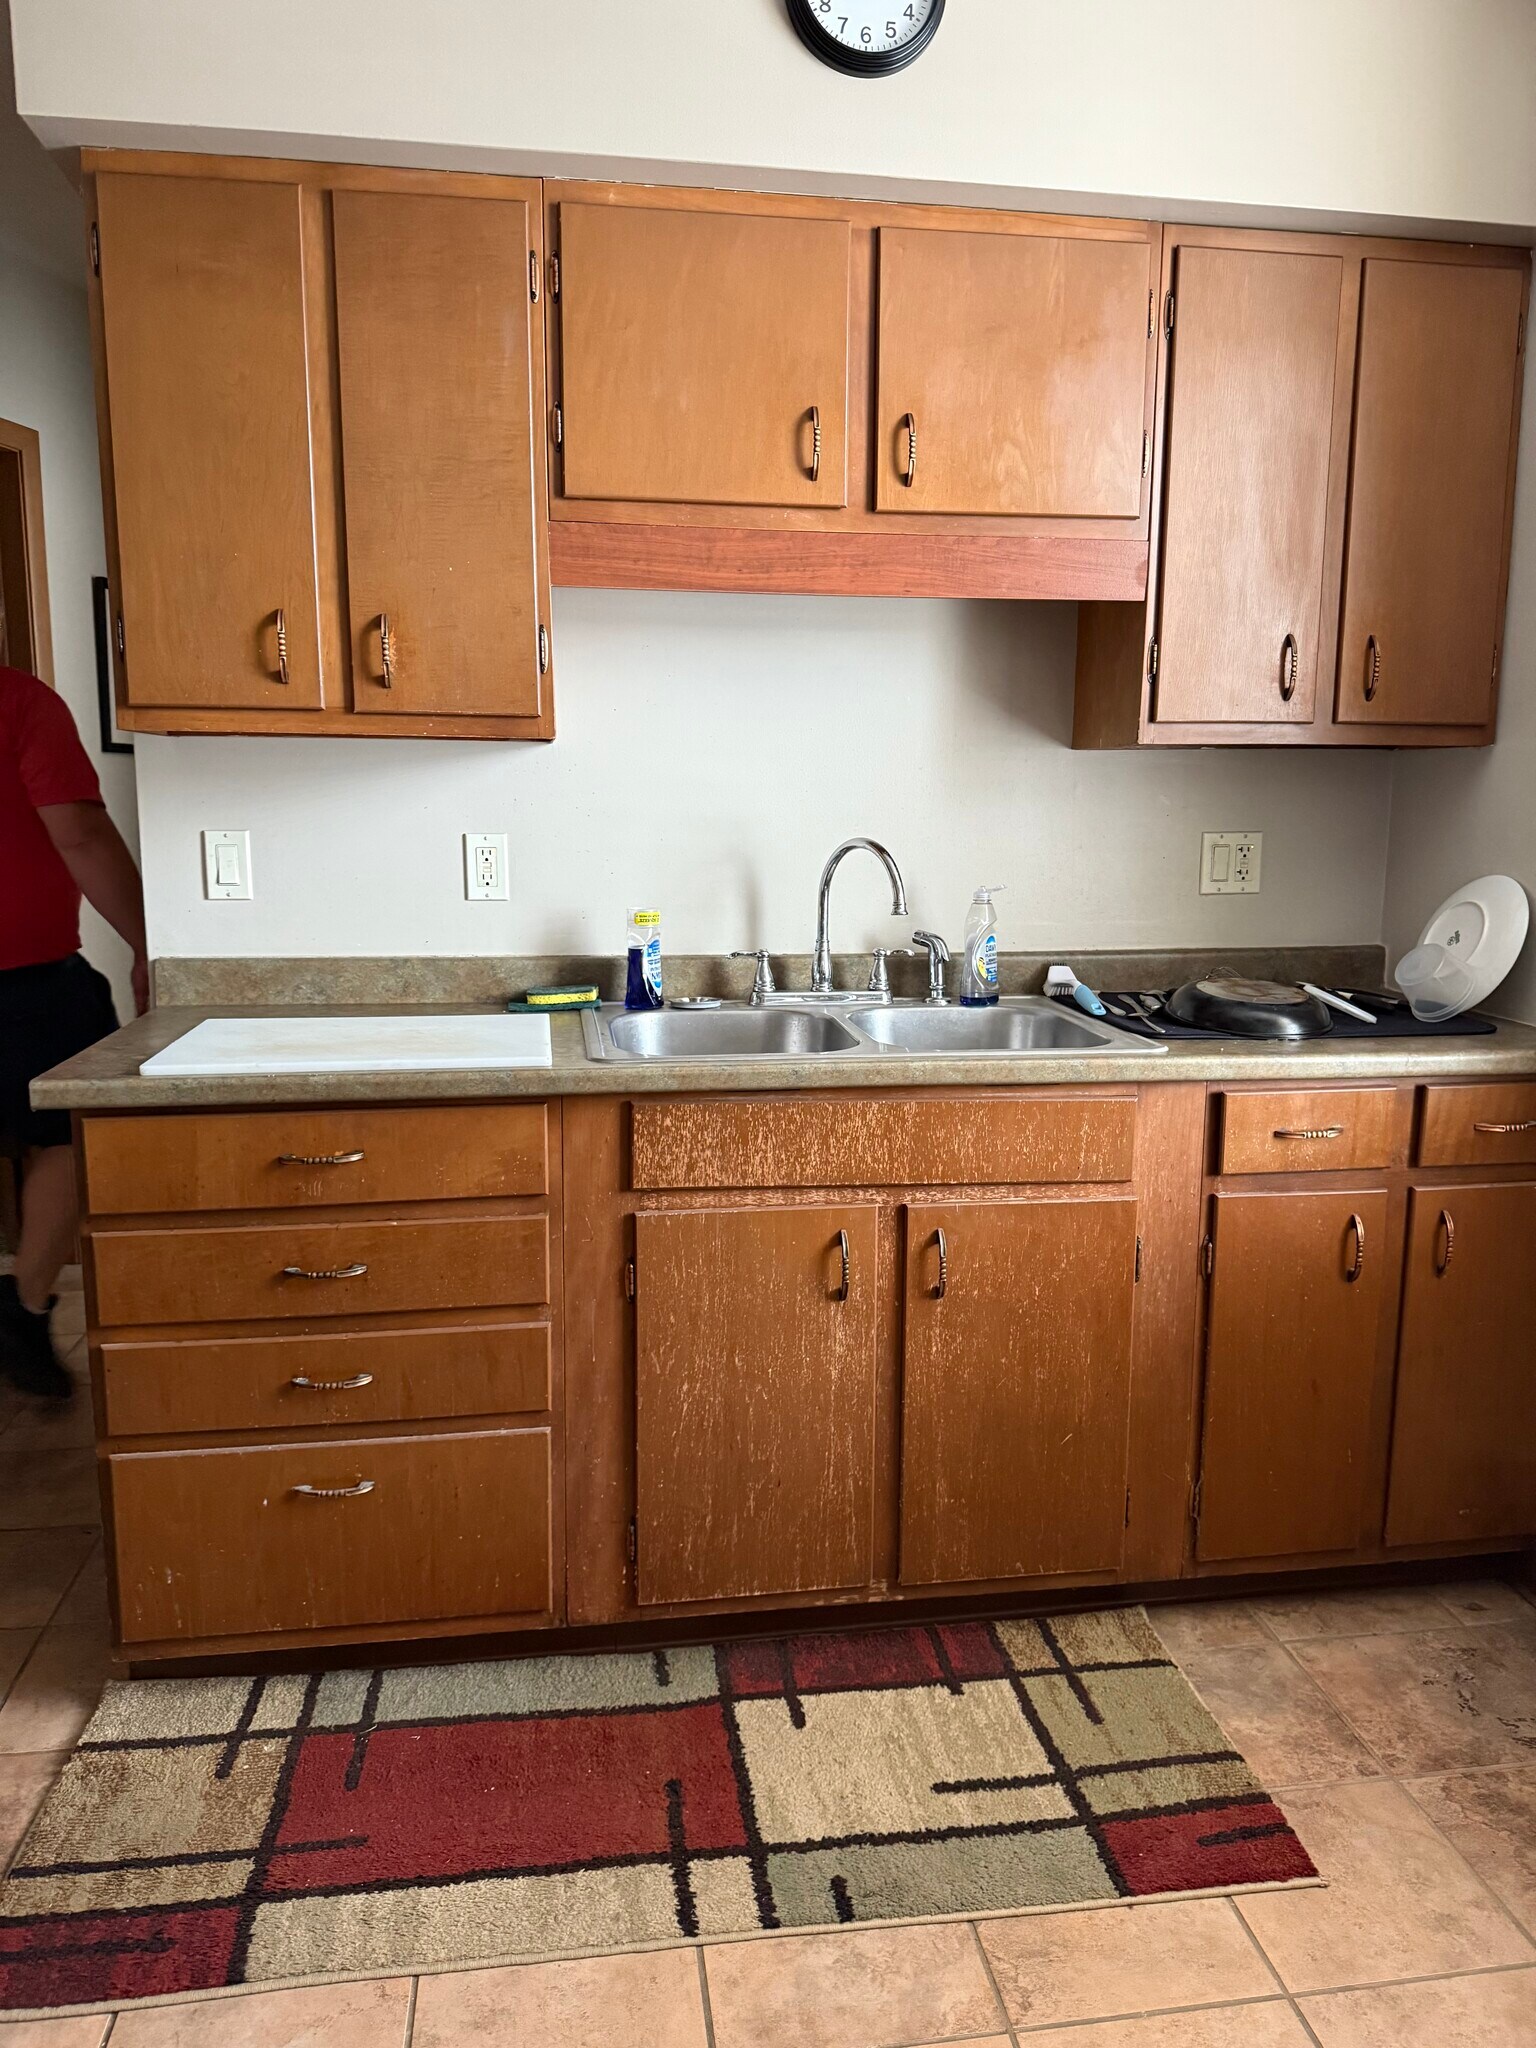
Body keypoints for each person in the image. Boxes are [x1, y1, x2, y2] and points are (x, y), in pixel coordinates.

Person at [1, 662, 147, 1399]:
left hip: (31, 979)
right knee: (68, 1139)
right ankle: (24, 1305)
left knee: (64, 1136)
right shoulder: (18, 700)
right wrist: (150, 943)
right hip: (25, 980)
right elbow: (80, 832)